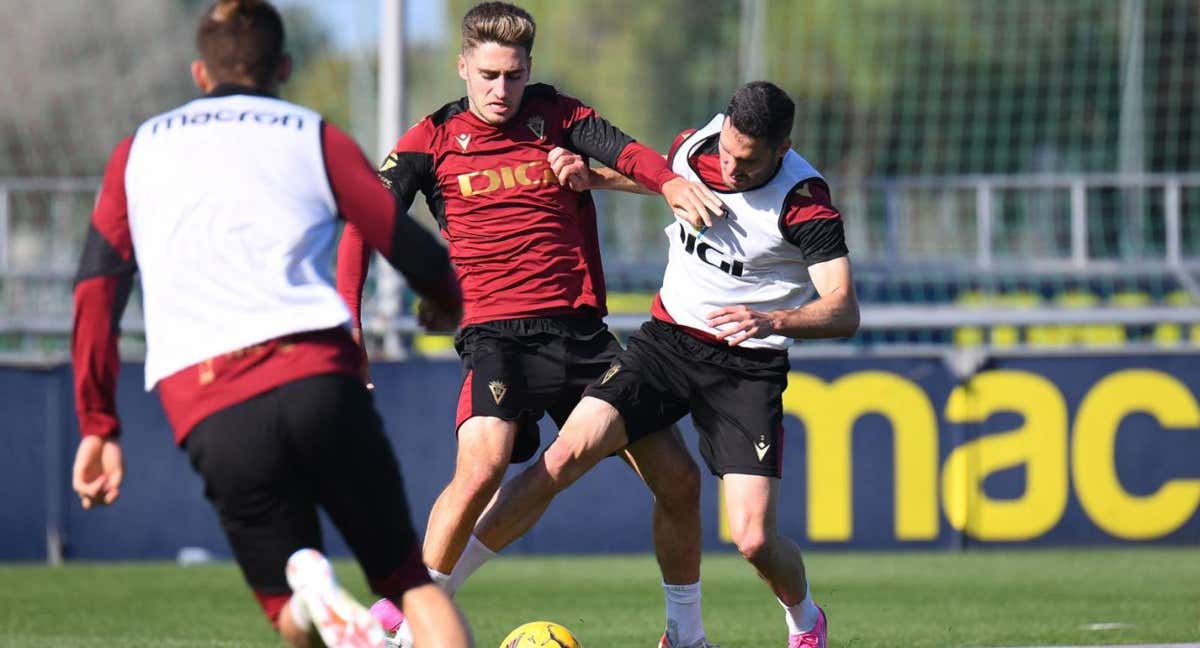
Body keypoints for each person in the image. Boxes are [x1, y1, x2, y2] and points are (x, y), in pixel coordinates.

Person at [69, 2, 473, 647]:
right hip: (316, 375)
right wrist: (443, 299)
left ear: (201, 73)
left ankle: (312, 603)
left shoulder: (136, 152)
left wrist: (98, 422)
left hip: (207, 394)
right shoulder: (309, 134)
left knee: (285, 607)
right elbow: (404, 240)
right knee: (409, 583)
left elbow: (96, 289)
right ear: (283, 66)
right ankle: (330, 603)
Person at [337, 3, 724, 647]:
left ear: (529, 70)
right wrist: (348, 331)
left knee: (679, 480)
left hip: (582, 337)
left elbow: (627, 152)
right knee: (484, 462)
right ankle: (408, 622)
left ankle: (686, 636)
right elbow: (361, 227)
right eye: (488, 74)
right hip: (495, 336)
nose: (500, 90)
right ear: (462, 66)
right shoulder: (428, 141)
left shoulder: (558, 116)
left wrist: (670, 184)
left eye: (513, 75)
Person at [468, 81, 860, 648]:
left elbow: (843, 309)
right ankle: (435, 590)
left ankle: (805, 620)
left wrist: (774, 320)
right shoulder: (695, 147)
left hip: (747, 368)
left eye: (747, 162)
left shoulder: (805, 203)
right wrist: (594, 177)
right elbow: (665, 185)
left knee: (752, 539)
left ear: (783, 148)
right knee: (566, 452)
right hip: (666, 344)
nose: (729, 168)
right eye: (726, 151)